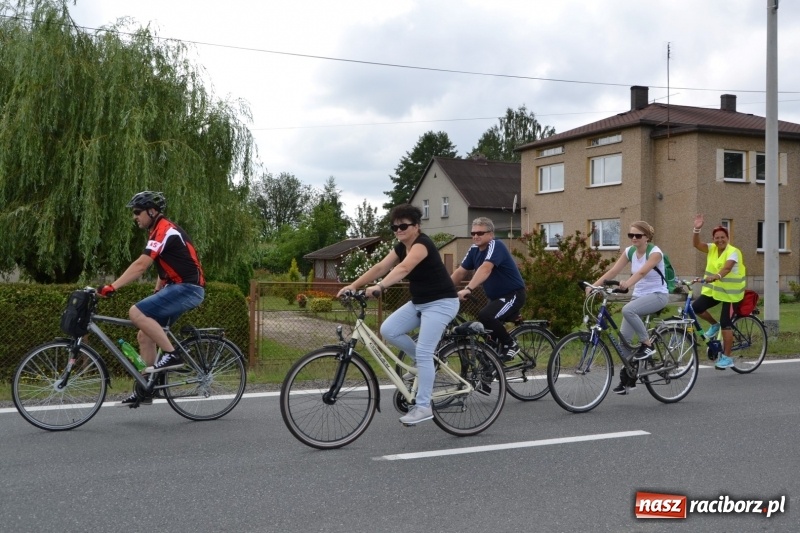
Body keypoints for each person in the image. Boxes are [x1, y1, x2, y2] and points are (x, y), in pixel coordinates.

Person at [337, 204, 459, 425]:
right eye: (395, 227)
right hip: (420, 302)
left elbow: (403, 269)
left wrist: (380, 288)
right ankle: (424, 365)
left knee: (423, 350)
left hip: (442, 303)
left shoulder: (423, 244)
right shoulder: (401, 246)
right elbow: (380, 267)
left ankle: (423, 407)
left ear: (417, 226)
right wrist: (353, 286)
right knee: (388, 330)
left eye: (403, 226)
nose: (399, 230)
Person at [98, 191, 206, 407]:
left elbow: (141, 266)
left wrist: (112, 286)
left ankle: (172, 354)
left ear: (152, 211)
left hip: (188, 288)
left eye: (137, 212)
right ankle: (146, 388)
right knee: (144, 335)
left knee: (135, 312)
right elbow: (165, 266)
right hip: (180, 287)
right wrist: (158, 290)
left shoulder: (164, 230)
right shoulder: (158, 230)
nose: (134, 217)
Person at [590, 221, 669, 395]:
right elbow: (612, 272)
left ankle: (647, 345)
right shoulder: (630, 251)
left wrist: (627, 284)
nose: (634, 238)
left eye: (638, 235)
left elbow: (641, 273)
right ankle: (629, 379)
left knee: (628, 309)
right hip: (639, 297)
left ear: (647, 237)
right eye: (631, 235)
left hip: (658, 295)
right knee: (624, 340)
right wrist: (593, 287)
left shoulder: (655, 253)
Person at [450, 217, 526, 362]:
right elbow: (461, 271)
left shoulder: (496, 245)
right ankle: (490, 372)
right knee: (488, 342)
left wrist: (468, 289)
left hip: (513, 295)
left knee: (486, 315)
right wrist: (442, 289)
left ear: (490, 234)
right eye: (473, 233)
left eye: (480, 233)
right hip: (495, 298)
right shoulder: (474, 249)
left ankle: (511, 344)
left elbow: (485, 269)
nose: (475, 236)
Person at [691, 214, 746, 370]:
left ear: (727, 238)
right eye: (716, 237)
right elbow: (696, 244)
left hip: (732, 294)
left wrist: (717, 276)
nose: (719, 240)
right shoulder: (712, 248)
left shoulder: (733, 252)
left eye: (722, 237)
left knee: (726, 324)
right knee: (696, 307)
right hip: (716, 291)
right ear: (713, 239)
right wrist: (696, 229)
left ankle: (727, 358)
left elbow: (727, 268)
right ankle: (713, 325)